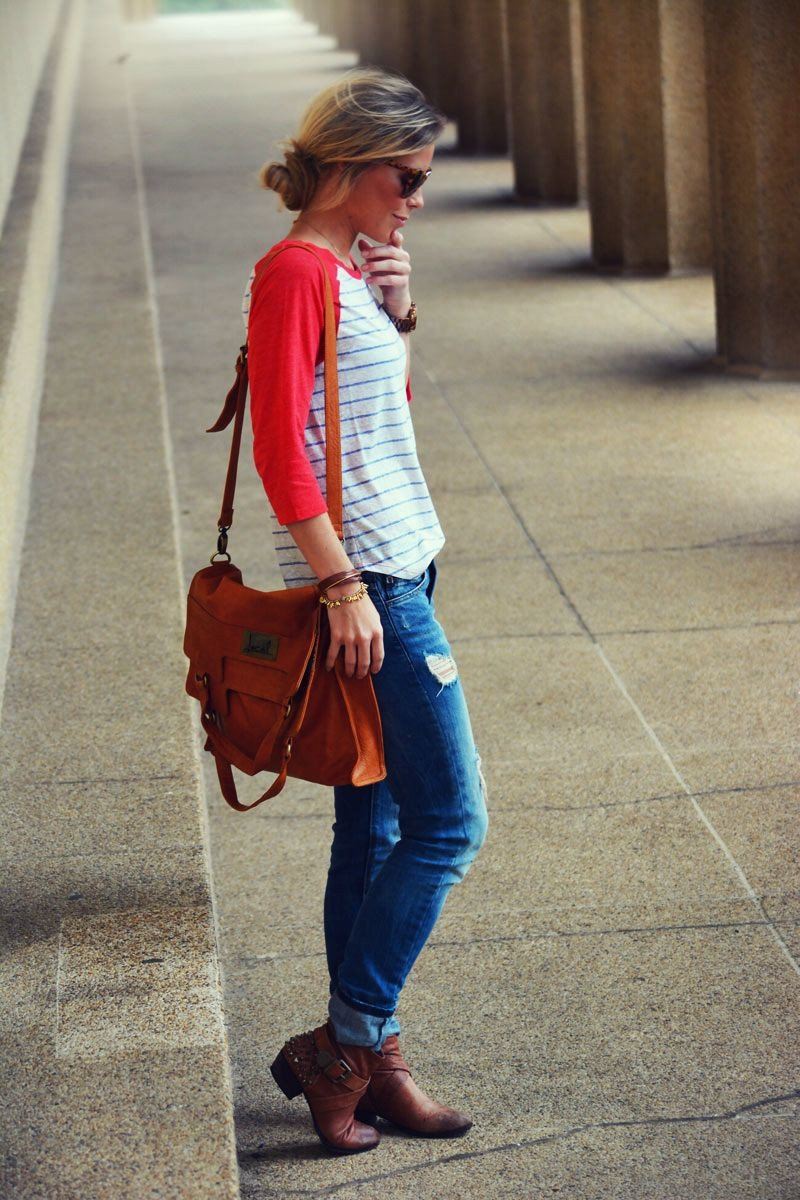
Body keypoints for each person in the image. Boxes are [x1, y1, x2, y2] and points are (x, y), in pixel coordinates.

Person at [241, 67, 489, 1156]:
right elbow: (278, 448)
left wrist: (395, 310)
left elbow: (357, 422)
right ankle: (340, 1048)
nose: (416, 199)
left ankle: (374, 1060)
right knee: (449, 823)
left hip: (396, 570)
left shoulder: (341, 271)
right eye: (406, 176)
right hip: (370, 583)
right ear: (347, 164)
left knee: (375, 821)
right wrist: (340, 584)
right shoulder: (294, 272)